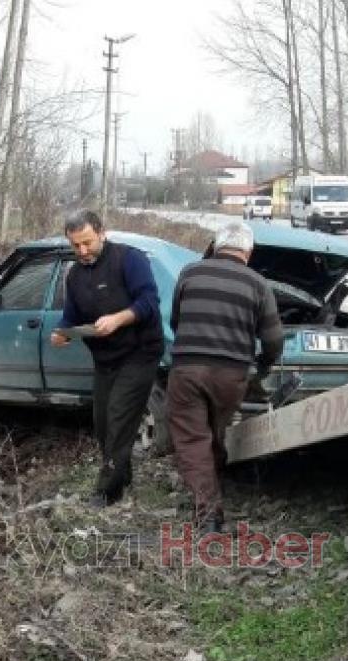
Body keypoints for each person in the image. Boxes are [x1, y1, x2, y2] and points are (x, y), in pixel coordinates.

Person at [167, 221, 283, 534]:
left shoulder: (190, 273)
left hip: (188, 369)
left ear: (216, 247)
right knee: (214, 433)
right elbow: (274, 340)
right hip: (232, 374)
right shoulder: (259, 284)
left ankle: (208, 515)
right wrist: (263, 366)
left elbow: (175, 320)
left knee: (194, 440)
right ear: (249, 251)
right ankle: (211, 495)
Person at [50, 209, 163, 506]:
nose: (82, 251)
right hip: (105, 358)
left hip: (140, 352)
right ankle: (122, 476)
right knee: (102, 424)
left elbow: (149, 303)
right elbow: (70, 316)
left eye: (87, 242)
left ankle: (107, 491)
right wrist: (62, 332)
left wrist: (119, 319)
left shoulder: (129, 259)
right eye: (76, 245)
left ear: (101, 232)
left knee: (118, 418)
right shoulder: (74, 275)